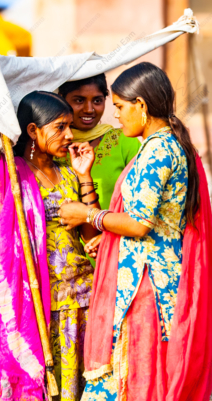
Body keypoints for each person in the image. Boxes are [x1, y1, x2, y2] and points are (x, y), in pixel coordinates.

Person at [59, 62, 212, 400]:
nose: (117, 117)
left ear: (141, 107)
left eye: (120, 107)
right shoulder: (169, 142)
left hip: (146, 286)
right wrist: (108, 232)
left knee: (137, 379)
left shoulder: (157, 151)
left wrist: (89, 215)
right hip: (156, 277)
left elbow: (139, 225)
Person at [0, 91, 99, 401]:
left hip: (82, 299)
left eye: (70, 126)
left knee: (81, 387)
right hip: (41, 303)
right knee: (44, 386)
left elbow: (87, 233)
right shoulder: (10, 176)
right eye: (59, 127)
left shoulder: (69, 173)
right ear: (32, 130)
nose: (69, 135)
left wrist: (84, 175)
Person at [58, 74, 141, 211]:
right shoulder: (52, 146)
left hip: (115, 230)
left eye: (97, 101)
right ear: (61, 98)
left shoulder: (124, 141)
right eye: (79, 100)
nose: (89, 109)